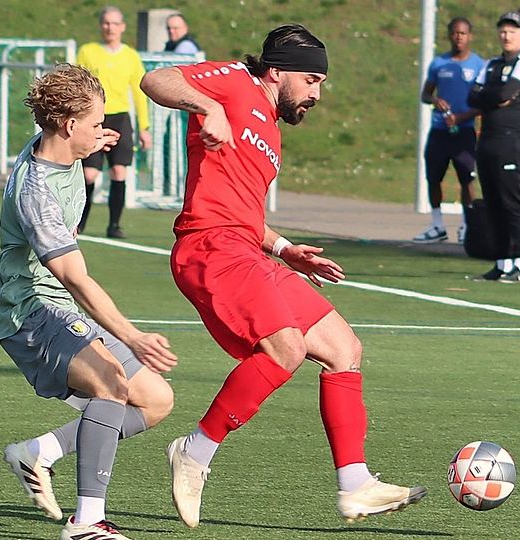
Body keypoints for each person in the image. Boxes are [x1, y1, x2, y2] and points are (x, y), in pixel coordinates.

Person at [139, 24, 427, 528]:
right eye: (312, 80)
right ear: (277, 71)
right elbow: (155, 79)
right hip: (209, 247)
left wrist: (286, 248)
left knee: (343, 348)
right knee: (286, 347)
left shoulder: (270, 130)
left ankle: (355, 483)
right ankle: (195, 452)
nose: (316, 94)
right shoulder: (234, 82)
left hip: (247, 249)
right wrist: (206, 108)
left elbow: (245, 212)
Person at [0, 64, 178, 540]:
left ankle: (41, 452)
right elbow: (75, 279)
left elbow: (72, 142)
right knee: (111, 385)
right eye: (97, 122)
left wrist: (92, 141)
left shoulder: (63, 147)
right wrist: (131, 335)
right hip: (31, 312)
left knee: (156, 401)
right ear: (69, 125)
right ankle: (86, 522)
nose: (104, 129)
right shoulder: (36, 192)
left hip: (58, 310)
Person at [467, 11, 520, 283]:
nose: (506, 35)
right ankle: (501, 261)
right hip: (488, 138)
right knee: (493, 202)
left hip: (512, 139)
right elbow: (473, 97)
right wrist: (494, 97)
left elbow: (504, 93)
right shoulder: (490, 64)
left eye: (512, 30)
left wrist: (494, 96)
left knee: (513, 200)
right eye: (503, 30)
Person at [77, 6, 153, 239]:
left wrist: (144, 127)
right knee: (89, 174)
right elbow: (78, 84)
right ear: (101, 26)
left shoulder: (130, 56)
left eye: (114, 23)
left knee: (119, 171)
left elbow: (140, 92)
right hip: (93, 119)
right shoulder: (88, 52)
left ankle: (114, 225)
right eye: (106, 23)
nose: (110, 28)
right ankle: (78, 223)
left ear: (122, 27)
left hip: (120, 119)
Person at [412, 17, 485, 244]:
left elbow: (484, 103)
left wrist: (461, 117)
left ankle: (467, 226)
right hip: (439, 130)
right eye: (454, 33)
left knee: (467, 178)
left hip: (463, 132)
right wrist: (435, 100)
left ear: (470, 36)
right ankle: (437, 225)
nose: (458, 37)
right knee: (434, 177)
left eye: (463, 33)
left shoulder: (479, 65)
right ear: (449, 35)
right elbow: (425, 94)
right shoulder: (438, 64)